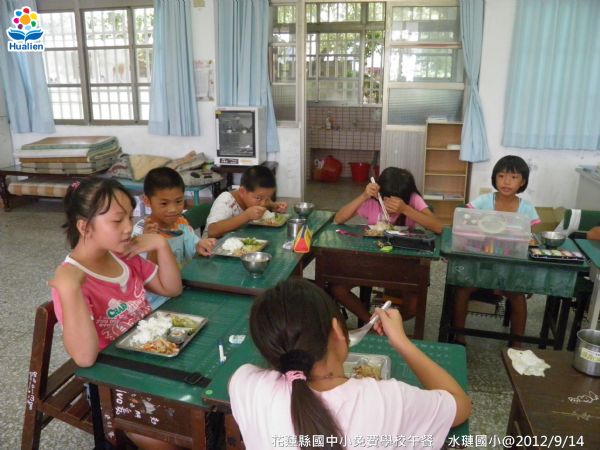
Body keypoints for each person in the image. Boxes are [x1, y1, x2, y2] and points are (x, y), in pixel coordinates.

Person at [229, 279, 471, 450]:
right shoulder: (388, 401)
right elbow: (460, 406)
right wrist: (402, 342)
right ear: (337, 329)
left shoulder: (246, 385)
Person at [49, 177, 183, 450]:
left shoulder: (122, 255)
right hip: (111, 385)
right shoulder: (72, 279)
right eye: (117, 221)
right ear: (85, 227)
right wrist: (69, 290)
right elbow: (84, 357)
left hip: (150, 364)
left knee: (200, 420)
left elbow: (171, 288)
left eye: (130, 218)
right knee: (168, 443)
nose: (128, 228)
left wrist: (160, 244)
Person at [332, 167, 443, 324]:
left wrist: (405, 209)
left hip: (404, 262)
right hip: (372, 260)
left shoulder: (412, 198)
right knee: (338, 289)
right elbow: (339, 219)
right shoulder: (373, 200)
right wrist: (364, 195)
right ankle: (372, 323)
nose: (391, 206)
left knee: (414, 305)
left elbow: (438, 227)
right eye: (387, 200)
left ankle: (388, 324)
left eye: (397, 201)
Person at [452, 155, 540, 347]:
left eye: (513, 177)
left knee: (517, 296)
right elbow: (466, 220)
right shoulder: (484, 201)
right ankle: (459, 335)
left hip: (510, 265)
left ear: (523, 182)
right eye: (501, 176)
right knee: (463, 289)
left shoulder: (526, 208)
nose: (506, 182)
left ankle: (516, 344)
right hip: (481, 262)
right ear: (494, 178)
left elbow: (530, 237)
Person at [132, 167, 216, 309]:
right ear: (147, 201)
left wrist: (200, 245)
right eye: (164, 203)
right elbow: (148, 277)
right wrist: (153, 243)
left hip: (182, 289)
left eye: (178, 201)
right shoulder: (140, 234)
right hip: (155, 302)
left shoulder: (180, 223)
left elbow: (192, 244)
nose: (173, 209)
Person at [205, 165, 287, 238]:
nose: (263, 203)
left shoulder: (258, 198)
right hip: (213, 246)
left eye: (268, 198)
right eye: (258, 198)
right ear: (242, 192)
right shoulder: (226, 201)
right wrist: (246, 216)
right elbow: (212, 231)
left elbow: (265, 201)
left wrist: (274, 206)